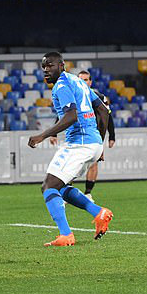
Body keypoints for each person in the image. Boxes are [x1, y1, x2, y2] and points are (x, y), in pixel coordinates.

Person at [27, 52, 113, 247]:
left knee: (48, 186)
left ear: (62, 65)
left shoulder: (62, 85)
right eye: (44, 67)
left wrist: (43, 135)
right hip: (91, 143)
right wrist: (100, 142)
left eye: (50, 66)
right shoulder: (79, 82)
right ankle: (98, 213)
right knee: (61, 187)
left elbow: (71, 115)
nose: (46, 71)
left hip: (79, 143)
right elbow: (103, 110)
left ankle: (66, 235)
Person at [50, 70, 115, 201]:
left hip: (92, 136)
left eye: (85, 80)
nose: (83, 81)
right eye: (80, 79)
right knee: (72, 165)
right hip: (76, 135)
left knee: (93, 164)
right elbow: (63, 114)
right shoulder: (73, 94)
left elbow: (107, 114)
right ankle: (68, 193)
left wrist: (111, 136)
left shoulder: (98, 96)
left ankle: (87, 193)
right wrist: (54, 133)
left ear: (90, 82)